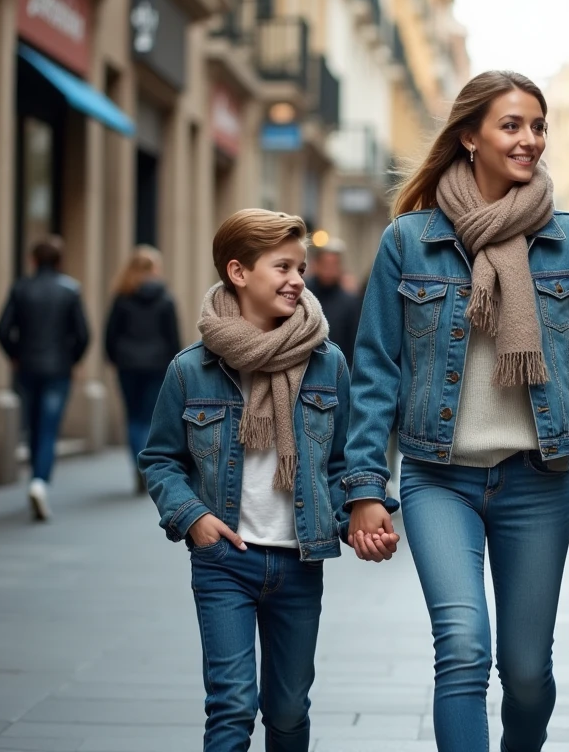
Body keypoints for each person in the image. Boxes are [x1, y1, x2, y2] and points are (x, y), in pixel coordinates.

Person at [344, 70, 569, 751]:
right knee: (464, 649)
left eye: (537, 126)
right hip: (439, 479)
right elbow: (376, 369)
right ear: (469, 137)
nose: (529, 140)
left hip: (536, 481)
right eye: (511, 125)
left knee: (527, 674)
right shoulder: (409, 242)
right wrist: (363, 490)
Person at [139, 209, 372, 751]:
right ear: (239, 272)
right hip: (226, 562)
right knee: (231, 706)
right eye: (283, 266)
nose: (298, 279)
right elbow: (160, 459)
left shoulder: (327, 363)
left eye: (302, 268)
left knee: (288, 712)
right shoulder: (190, 370)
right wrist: (193, 518)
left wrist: (361, 511)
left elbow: (341, 462)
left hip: (298, 560)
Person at [0, 236, 91, 521]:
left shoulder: (21, 288)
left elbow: (1, 330)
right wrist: (72, 359)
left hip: (28, 367)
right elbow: (84, 334)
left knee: (34, 423)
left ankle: (35, 479)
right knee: (48, 427)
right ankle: (39, 481)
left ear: (33, 260)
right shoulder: (70, 290)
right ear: (59, 261)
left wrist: (15, 355)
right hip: (58, 369)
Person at [104, 245, 181, 494]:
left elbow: (110, 335)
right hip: (157, 365)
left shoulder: (122, 298)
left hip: (127, 365)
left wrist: (115, 358)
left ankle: (138, 465)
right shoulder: (166, 299)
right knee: (150, 418)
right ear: (155, 269)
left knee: (133, 417)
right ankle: (146, 466)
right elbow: (173, 338)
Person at [304, 238, 363, 369]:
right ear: (316, 264)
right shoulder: (304, 296)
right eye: (325, 265)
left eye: (334, 265)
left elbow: (354, 343)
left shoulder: (350, 302)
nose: (329, 270)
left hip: (337, 368)